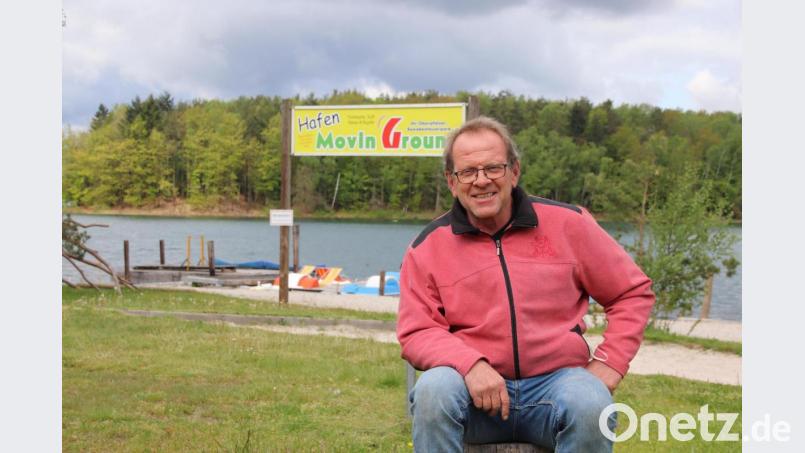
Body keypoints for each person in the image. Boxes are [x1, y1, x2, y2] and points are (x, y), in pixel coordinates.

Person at [396, 116, 655, 452]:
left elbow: (631, 292)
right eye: (468, 172)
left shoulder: (569, 224)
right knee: (433, 390)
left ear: (514, 172)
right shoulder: (427, 246)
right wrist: (470, 364)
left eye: (493, 168)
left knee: (591, 402)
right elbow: (417, 330)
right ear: (451, 181)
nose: (481, 181)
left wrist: (610, 363)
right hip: (473, 394)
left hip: (557, 386)